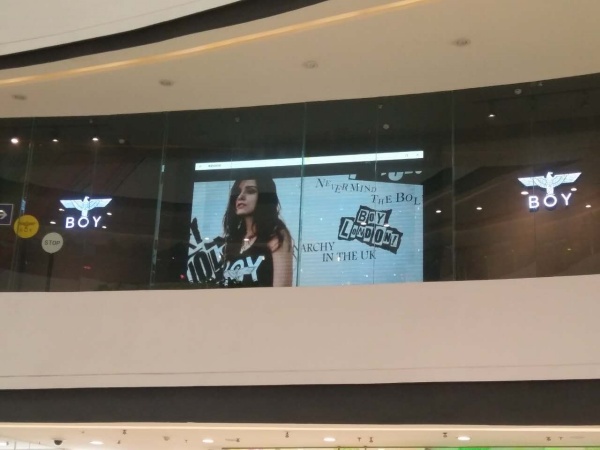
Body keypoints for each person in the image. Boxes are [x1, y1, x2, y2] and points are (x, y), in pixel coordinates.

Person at [221, 177, 293, 287]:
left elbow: (281, 289)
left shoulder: (275, 235)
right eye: (238, 192)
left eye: (250, 191)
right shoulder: (233, 243)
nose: (241, 196)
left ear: (263, 198)